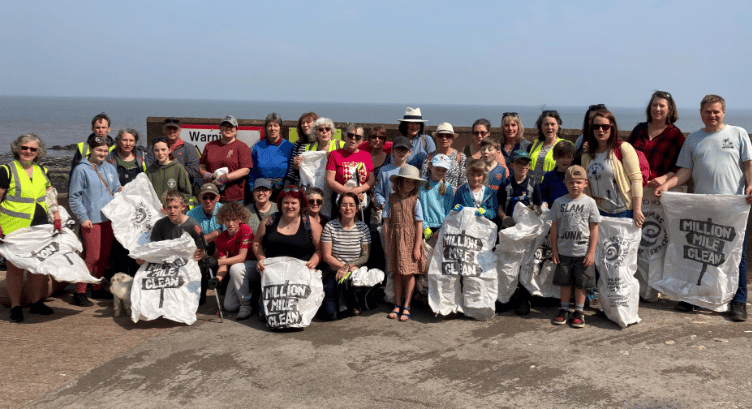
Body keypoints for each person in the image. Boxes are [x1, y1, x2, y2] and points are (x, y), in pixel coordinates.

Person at [655, 94, 752, 321]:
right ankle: (693, 297)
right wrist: (667, 186)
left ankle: (738, 302)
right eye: (708, 111)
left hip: (733, 208)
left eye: (716, 111)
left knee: (736, 255)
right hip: (702, 208)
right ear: (701, 113)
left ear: (723, 112)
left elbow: (749, 166)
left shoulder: (738, 134)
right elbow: (684, 172)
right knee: (699, 254)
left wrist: (751, 186)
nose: (712, 115)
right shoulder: (694, 139)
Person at [1, 134, 62, 322]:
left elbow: (50, 194)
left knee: (37, 266)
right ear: (17, 149)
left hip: (40, 225)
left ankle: (36, 303)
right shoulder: (6, 170)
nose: (28, 151)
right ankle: (16, 306)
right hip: (14, 227)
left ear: (38, 152)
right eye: (24, 148)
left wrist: (56, 215)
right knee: (15, 268)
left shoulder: (42, 170)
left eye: (32, 149)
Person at [69, 135, 122, 306]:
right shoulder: (81, 170)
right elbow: (74, 197)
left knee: (104, 256)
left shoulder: (110, 167)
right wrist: (82, 218)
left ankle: (97, 287)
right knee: (92, 256)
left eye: (105, 150)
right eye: (99, 150)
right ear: (91, 149)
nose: (102, 153)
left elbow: (115, 188)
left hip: (108, 219)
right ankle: (79, 291)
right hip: (91, 220)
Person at [550, 165, 601, 328]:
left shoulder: (590, 203)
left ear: (586, 183)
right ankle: (564, 309)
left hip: (583, 252)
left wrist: (591, 252)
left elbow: (594, 228)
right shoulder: (559, 202)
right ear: (565, 183)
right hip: (564, 251)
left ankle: (579, 311)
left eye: (579, 182)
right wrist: (554, 250)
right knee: (564, 283)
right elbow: (554, 228)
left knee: (582, 284)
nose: (575, 185)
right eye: (571, 182)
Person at [581, 110, 644, 227]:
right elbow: (586, 184)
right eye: (596, 126)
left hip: (623, 212)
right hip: (598, 212)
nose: (600, 130)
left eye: (605, 126)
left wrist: (637, 210)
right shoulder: (586, 155)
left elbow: (636, 179)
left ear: (612, 127)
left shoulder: (623, 148)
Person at [384, 165, 426, 321]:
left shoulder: (416, 201)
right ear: (400, 182)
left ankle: (407, 305)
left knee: (409, 273)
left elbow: (419, 224)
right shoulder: (390, 198)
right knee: (397, 272)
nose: (409, 185)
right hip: (395, 239)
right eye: (407, 181)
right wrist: (388, 243)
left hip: (410, 240)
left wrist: (417, 247)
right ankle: (397, 304)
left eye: (412, 182)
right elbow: (386, 222)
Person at [320, 192, 372, 319]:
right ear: (339, 208)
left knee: (355, 283)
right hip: (334, 271)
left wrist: (348, 268)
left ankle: (356, 301)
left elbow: (365, 256)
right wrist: (343, 268)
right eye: (344, 205)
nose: (348, 208)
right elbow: (327, 256)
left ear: (357, 208)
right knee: (330, 315)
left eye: (351, 205)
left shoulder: (363, 228)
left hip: (354, 271)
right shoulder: (330, 226)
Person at [106, 128, 147, 277]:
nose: (128, 143)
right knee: (119, 247)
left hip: (138, 210)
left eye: (131, 140)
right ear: (118, 141)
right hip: (119, 210)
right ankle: (119, 286)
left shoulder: (142, 158)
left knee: (136, 246)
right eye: (124, 140)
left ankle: (136, 284)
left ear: (135, 142)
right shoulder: (110, 159)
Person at [207, 202, 258, 320]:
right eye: (227, 220)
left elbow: (241, 257)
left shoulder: (245, 229)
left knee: (236, 267)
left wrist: (217, 262)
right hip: (238, 271)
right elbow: (223, 265)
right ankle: (251, 294)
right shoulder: (220, 239)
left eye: (234, 219)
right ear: (222, 220)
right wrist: (217, 279)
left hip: (253, 266)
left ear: (240, 219)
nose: (230, 223)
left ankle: (246, 305)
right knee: (229, 306)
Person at [254, 186, 322, 273]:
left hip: (301, 273)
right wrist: (262, 260)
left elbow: (320, 249)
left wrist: (313, 262)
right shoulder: (269, 221)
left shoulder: (310, 224)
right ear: (280, 204)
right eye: (286, 202)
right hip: (273, 272)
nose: (289, 206)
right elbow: (257, 242)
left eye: (294, 203)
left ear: (300, 204)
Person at [628, 91, 685, 187]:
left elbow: (681, 166)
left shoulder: (676, 135)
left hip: (659, 190)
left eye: (662, 106)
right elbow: (625, 154)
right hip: (634, 186)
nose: (657, 109)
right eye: (654, 105)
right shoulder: (639, 130)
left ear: (669, 109)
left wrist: (664, 178)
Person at [325, 123, 375, 221]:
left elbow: (371, 180)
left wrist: (358, 191)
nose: (353, 139)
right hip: (340, 201)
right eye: (350, 135)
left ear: (361, 141)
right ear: (345, 136)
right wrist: (350, 193)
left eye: (357, 137)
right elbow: (329, 180)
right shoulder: (335, 154)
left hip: (361, 201)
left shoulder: (366, 156)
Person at [199, 115, 252, 203]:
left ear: (236, 129)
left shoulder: (242, 147)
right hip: (212, 196)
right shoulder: (210, 146)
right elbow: (201, 165)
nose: (228, 129)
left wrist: (226, 178)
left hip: (235, 197)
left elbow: (245, 170)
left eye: (231, 126)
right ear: (220, 128)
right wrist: (207, 175)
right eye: (225, 126)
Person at [187, 183, 224, 305]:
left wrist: (213, 238)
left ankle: (222, 287)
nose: (208, 201)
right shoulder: (191, 214)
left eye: (212, 197)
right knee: (199, 257)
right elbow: (189, 239)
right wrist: (213, 235)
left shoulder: (224, 211)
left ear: (218, 198)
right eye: (205, 197)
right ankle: (199, 296)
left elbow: (228, 235)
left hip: (221, 247)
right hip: (200, 247)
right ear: (199, 198)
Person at [248, 113, 295, 198]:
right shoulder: (258, 147)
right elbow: (252, 171)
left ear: (280, 128)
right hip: (262, 190)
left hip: (283, 190)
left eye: (275, 125)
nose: (272, 128)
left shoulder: (290, 147)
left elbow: (293, 171)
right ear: (266, 128)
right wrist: (252, 188)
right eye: (269, 125)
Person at [147, 190, 204, 259]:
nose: (172, 211)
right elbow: (154, 248)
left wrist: (201, 255)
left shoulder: (193, 226)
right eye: (169, 207)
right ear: (164, 208)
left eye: (176, 207)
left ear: (183, 207)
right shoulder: (159, 225)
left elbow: (203, 250)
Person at [145, 118, 201, 189]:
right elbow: (149, 166)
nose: (172, 131)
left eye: (175, 128)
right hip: (158, 186)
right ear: (163, 130)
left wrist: (171, 178)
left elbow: (192, 170)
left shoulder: (190, 148)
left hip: (181, 188)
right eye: (169, 128)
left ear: (180, 130)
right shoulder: (153, 147)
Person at [497, 151, 542, 223]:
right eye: (519, 163)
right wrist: (504, 217)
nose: (523, 166)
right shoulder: (505, 185)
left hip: (528, 225)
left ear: (529, 166)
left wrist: (536, 209)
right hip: (509, 225)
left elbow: (539, 206)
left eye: (526, 164)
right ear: (512, 165)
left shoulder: (533, 185)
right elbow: (499, 208)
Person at [420, 122, 467, 192]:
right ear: (436, 138)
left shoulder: (460, 157)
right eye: (441, 136)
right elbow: (423, 181)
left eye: (448, 136)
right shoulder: (429, 157)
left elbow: (463, 181)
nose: (444, 138)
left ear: (453, 138)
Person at [146, 137, 192, 204]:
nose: (160, 153)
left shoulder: (178, 168)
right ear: (153, 152)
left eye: (163, 149)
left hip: (173, 212)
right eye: (156, 150)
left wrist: (174, 207)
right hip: (155, 212)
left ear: (169, 150)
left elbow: (186, 193)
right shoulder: (150, 170)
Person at [70, 112, 115, 181]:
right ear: (92, 129)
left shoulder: (116, 148)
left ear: (109, 129)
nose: (100, 130)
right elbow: (74, 173)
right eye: (97, 127)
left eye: (103, 127)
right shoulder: (83, 148)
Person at [418, 154, 454, 240]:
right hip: (423, 227)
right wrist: (424, 226)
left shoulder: (448, 187)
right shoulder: (421, 184)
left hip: (442, 228)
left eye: (443, 170)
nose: (440, 172)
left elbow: (449, 210)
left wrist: (442, 228)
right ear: (430, 166)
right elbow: (418, 207)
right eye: (438, 169)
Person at [374, 136, 412, 214]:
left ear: (409, 152)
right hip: (389, 214)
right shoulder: (384, 171)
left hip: (407, 213)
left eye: (404, 149)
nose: (401, 152)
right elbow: (377, 192)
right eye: (398, 149)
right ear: (392, 151)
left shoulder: (413, 171)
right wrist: (382, 203)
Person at [529, 110, 563, 183]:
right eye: (546, 124)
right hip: (533, 188)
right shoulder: (535, 144)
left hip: (552, 188)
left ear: (558, 126)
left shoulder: (563, 145)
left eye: (552, 124)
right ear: (541, 127)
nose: (549, 127)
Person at [286, 111, 319, 186]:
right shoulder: (298, 144)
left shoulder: (322, 144)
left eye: (308, 122)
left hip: (317, 187)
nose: (305, 125)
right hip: (301, 187)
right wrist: (296, 167)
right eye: (303, 123)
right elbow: (292, 171)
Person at [541, 140, 576, 208]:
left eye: (569, 157)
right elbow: (543, 195)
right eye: (562, 157)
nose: (565, 160)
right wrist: (544, 203)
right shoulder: (548, 177)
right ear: (554, 157)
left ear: (573, 158)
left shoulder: (576, 177)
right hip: (553, 214)